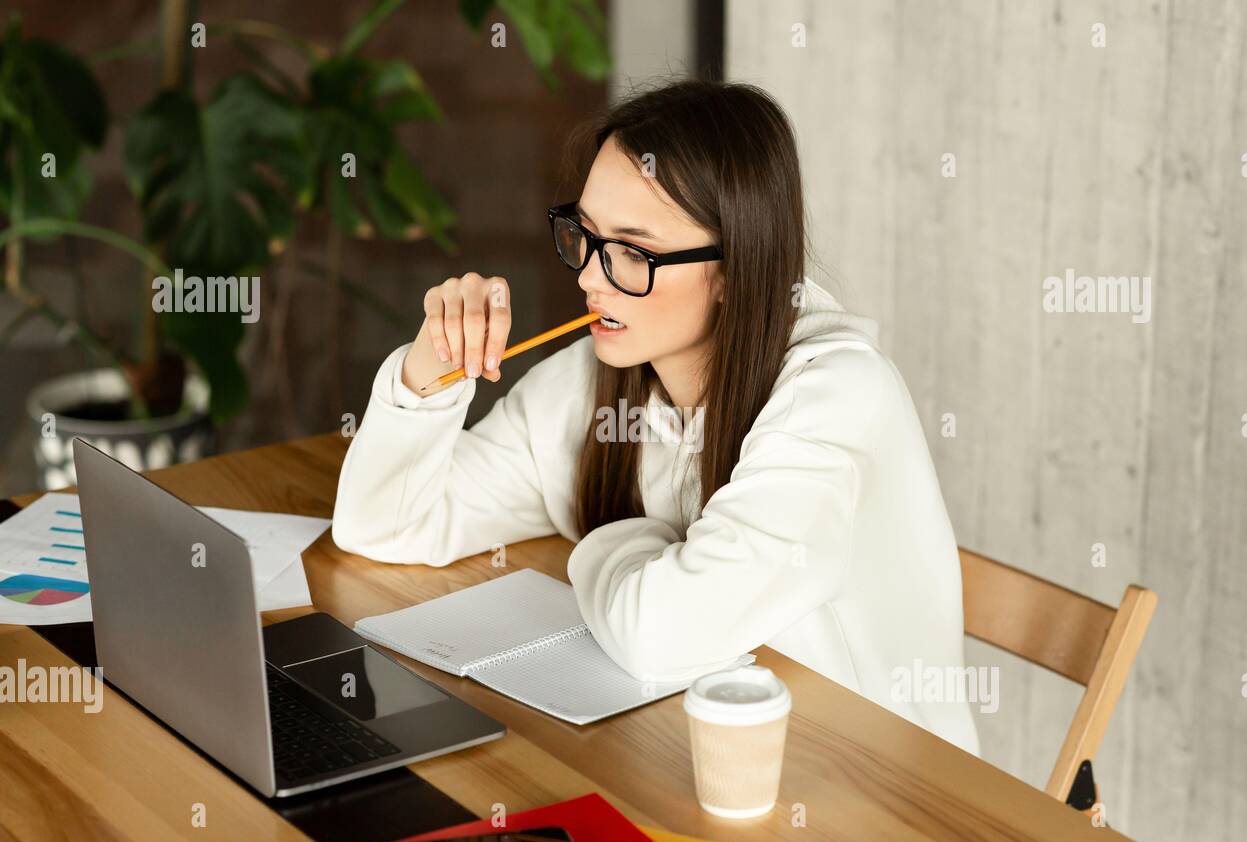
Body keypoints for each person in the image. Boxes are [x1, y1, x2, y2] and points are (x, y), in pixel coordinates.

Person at [332, 79, 980, 756]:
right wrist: (430, 368)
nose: (590, 278)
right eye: (585, 235)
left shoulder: (838, 395)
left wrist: (611, 542)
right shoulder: (595, 380)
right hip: (692, 761)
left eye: (634, 252)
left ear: (733, 269)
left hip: (880, 789)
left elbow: (662, 633)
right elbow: (383, 524)